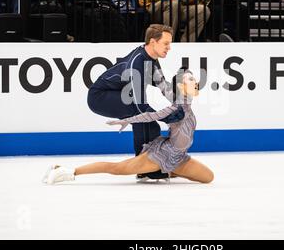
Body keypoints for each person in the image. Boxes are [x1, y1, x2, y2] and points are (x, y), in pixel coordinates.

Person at [43, 67, 214, 185]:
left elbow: (165, 89)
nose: (196, 81)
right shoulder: (176, 109)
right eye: (191, 78)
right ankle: (67, 171)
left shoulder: (184, 104)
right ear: (180, 85)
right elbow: (150, 116)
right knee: (116, 168)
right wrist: (126, 120)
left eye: (194, 79)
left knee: (208, 177)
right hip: (162, 155)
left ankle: (165, 171)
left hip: (179, 157)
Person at [86, 24, 185, 181]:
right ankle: (147, 168)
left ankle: (145, 168)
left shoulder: (151, 59)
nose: (169, 48)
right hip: (100, 97)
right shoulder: (137, 64)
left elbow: (163, 86)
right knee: (143, 117)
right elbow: (140, 105)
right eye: (166, 43)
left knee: (146, 121)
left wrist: (181, 103)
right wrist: (167, 117)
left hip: (119, 94)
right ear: (153, 42)